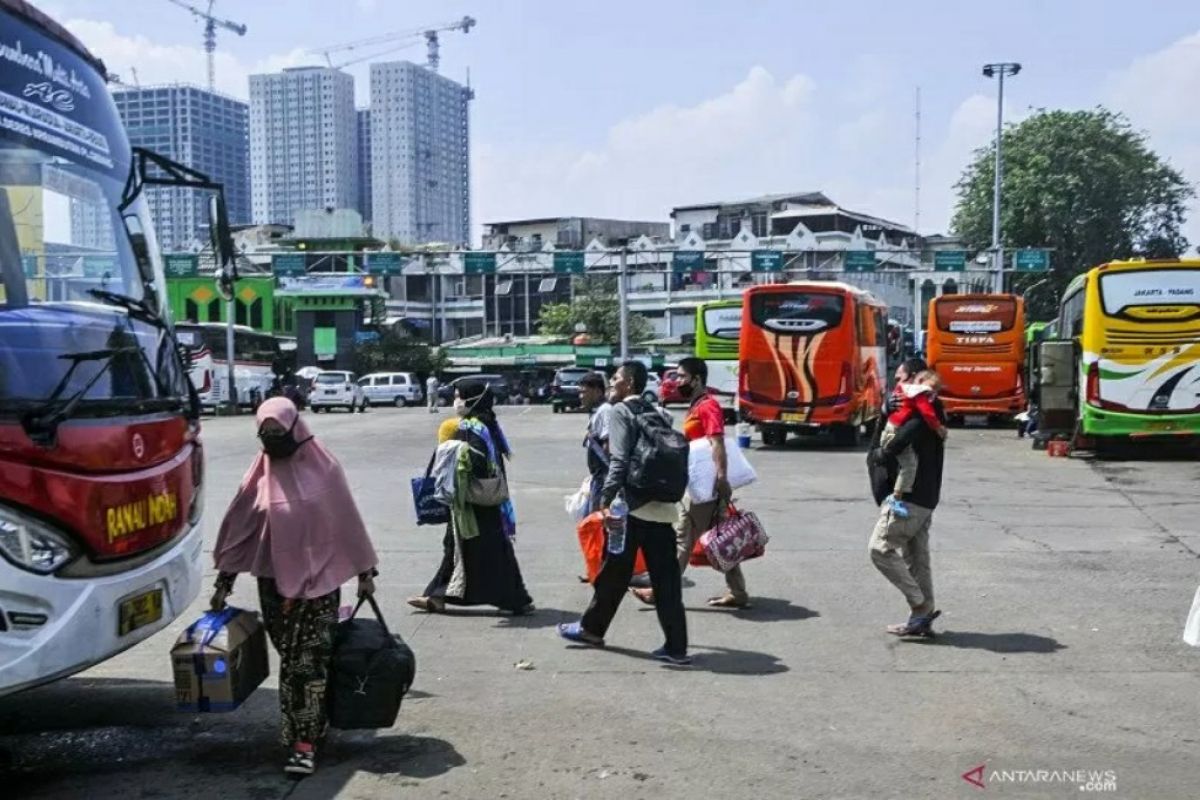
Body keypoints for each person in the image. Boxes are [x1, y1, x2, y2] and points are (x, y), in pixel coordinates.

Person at [210, 398, 378, 777]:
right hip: (275, 588)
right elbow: (241, 531)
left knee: (307, 666)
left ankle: (303, 744)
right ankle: (309, 726)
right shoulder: (259, 476)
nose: (272, 440)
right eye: (265, 434)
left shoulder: (327, 471)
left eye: (278, 432)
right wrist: (224, 583)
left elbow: (348, 523)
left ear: (295, 429)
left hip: (320, 589)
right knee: (293, 664)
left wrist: (365, 573)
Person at [558, 360, 691, 665]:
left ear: (629, 384)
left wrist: (606, 498)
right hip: (661, 508)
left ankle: (591, 629)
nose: (611, 384)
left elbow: (618, 460)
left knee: (614, 571)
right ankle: (676, 647)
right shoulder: (655, 411)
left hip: (631, 508)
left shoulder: (621, 412)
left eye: (616, 378)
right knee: (665, 579)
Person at [630, 356, 750, 609]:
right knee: (721, 537)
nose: (678, 382)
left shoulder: (708, 406)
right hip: (698, 483)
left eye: (682, 377)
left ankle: (661, 591)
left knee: (683, 538)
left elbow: (716, 442)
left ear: (697, 379)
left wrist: (721, 478)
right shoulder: (697, 405)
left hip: (704, 487)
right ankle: (738, 592)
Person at [408, 379, 534, 615]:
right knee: (481, 548)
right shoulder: (487, 423)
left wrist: (453, 450)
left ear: (472, 399)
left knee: (465, 546)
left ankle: (515, 599)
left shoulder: (472, 427)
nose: (456, 400)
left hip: (472, 500)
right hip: (485, 498)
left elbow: (477, 460)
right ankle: (515, 599)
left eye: (459, 396)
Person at [866, 366, 947, 638]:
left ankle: (920, 604)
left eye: (901, 379)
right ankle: (920, 619)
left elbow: (894, 443)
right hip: (925, 498)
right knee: (916, 558)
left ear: (914, 379)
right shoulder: (929, 409)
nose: (897, 386)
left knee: (880, 549)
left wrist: (882, 452)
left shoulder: (923, 409)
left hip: (910, 498)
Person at [880, 370, 947, 515]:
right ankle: (896, 498)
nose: (932, 391)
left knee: (904, 464)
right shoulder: (918, 393)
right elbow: (927, 413)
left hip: (890, 428)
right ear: (921, 379)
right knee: (909, 466)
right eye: (932, 386)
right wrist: (938, 428)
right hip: (895, 431)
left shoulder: (904, 388)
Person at [579, 371, 612, 515]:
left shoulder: (605, 411)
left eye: (584, 392)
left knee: (598, 523)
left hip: (603, 479)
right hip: (597, 478)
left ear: (598, 391)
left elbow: (608, 444)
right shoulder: (597, 411)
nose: (581, 396)